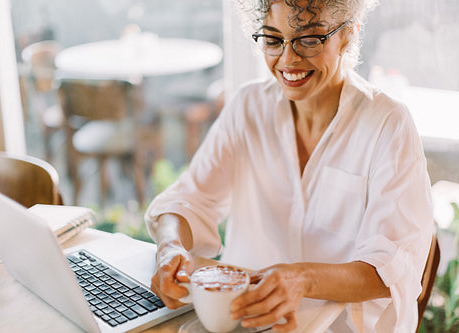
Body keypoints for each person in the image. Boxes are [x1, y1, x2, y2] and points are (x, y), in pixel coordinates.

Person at [145, 0, 434, 331]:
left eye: (309, 39)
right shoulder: (247, 107)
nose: (288, 59)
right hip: (244, 321)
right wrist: (169, 248)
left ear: (348, 35)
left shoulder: (387, 123)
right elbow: (188, 199)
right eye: (272, 39)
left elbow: (391, 268)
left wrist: (302, 278)